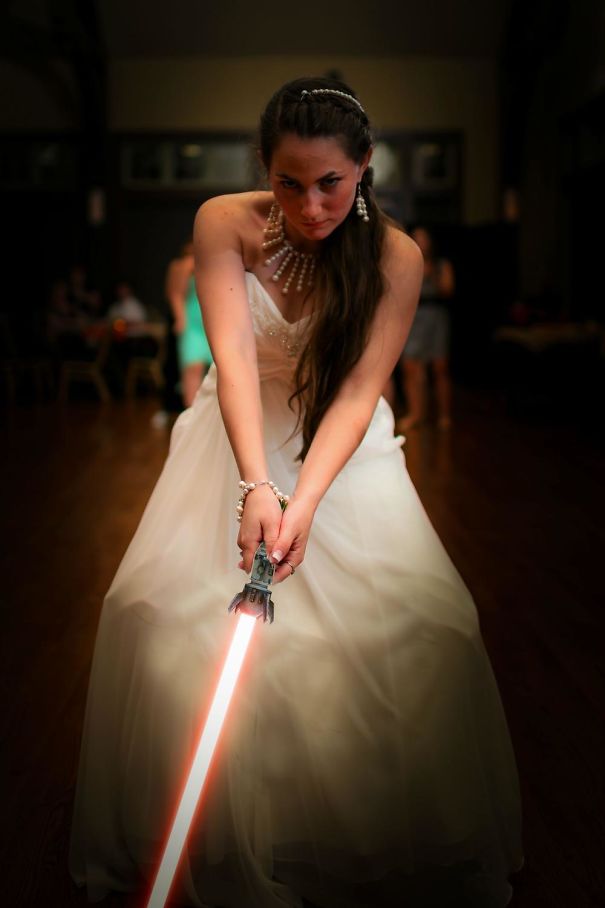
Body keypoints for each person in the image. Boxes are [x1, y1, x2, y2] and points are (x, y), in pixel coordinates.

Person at [69, 77, 522, 907]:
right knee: (157, 614)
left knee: (429, 626)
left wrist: (302, 499)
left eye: (329, 184)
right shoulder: (222, 221)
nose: (310, 206)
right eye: (288, 182)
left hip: (340, 445)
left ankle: (363, 835)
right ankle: (225, 834)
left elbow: (355, 394)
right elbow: (234, 362)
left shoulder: (395, 256)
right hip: (235, 433)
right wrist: (256, 484)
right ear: (263, 167)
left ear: (364, 166)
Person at [396, 225, 455, 431]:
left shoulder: (441, 265)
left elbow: (448, 289)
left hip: (435, 315)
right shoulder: (406, 263)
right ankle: (416, 413)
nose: (421, 242)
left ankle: (444, 415)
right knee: (411, 366)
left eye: (424, 238)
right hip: (414, 315)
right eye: (417, 238)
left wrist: (432, 275)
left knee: (440, 367)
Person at [167, 239, 213, 408]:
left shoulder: (215, 263)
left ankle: (212, 414)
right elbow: (175, 294)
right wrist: (180, 318)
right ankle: (192, 411)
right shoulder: (183, 265)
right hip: (192, 322)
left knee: (217, 370)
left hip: (212, 320)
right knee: (193, 366)